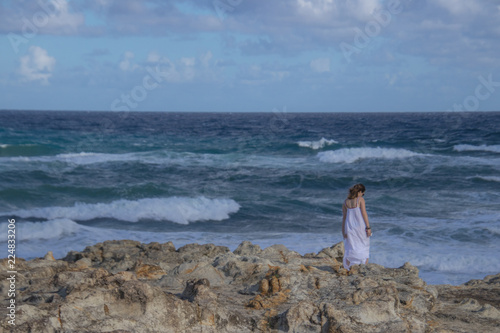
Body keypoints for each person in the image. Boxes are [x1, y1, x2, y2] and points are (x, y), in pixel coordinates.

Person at [342, 183, 371, 270]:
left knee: (351, 246)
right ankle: (362, 267)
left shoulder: (345, 202)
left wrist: (343, 231)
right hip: (360, 227)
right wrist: (368, 227)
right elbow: (364, 213)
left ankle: (350, 267)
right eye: (363, 193)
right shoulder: (360, 200)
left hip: (349, 227)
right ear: (360, 192)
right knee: (364, 245)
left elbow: (344, 218)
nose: (363, 195)